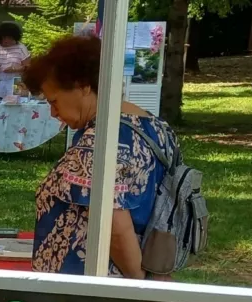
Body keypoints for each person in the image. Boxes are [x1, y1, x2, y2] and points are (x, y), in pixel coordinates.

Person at [22, 35, 181, 279]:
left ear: (84, 85)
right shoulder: (157, 127)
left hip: (96, 291)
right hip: (151, 268)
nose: (53, 112)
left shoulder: (100, 141)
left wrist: (143, 289)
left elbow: (114, 227)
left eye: (54, 101)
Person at [0, 22, 30, 99]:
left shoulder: (21, 48)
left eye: (9, 38)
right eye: (4, 38)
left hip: (15, 83)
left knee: (14, 106)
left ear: (14, 37)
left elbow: (28, 67)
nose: (6, 40)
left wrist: (16, 69)